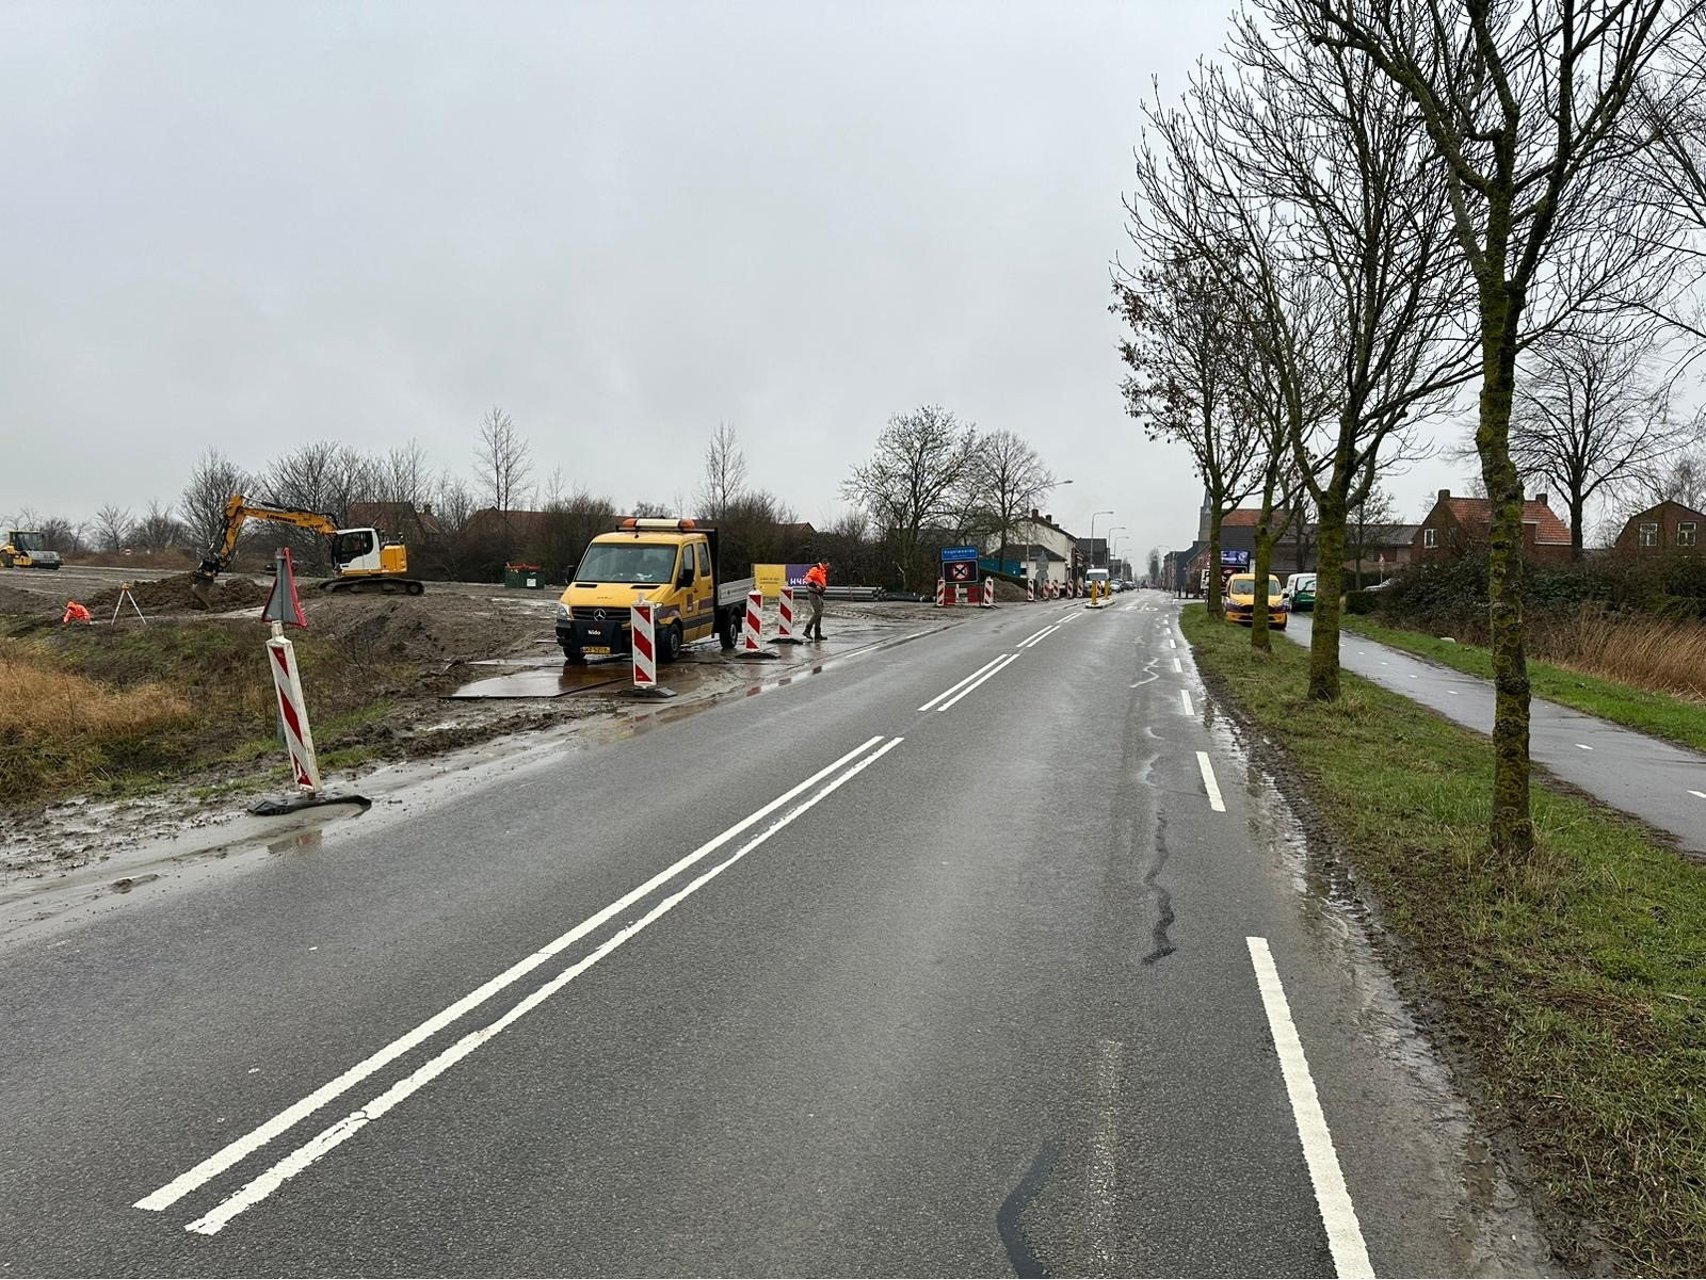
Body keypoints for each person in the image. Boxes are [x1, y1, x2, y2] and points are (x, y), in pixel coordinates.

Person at [803, 561, 829, 640]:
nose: (828, 567)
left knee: (820, 613)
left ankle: (817, 634)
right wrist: (816, 586)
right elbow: (807, 578)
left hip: (819, 594)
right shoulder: (815, 569)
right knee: (817, 612)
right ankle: (807, 630)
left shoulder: (822, 571)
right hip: (813, 593)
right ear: (824, 563)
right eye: (827, 565)